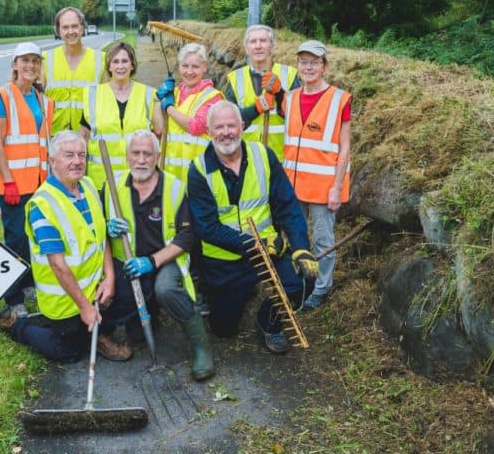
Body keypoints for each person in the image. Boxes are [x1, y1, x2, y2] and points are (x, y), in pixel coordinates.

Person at [187, 101, 319, 354]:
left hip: (270, 250)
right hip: (225, 260)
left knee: (302, 282)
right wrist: (253, 244)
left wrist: (301, 247)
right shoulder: (198, 170)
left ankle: (269, 323)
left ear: (242, 126)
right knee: (223, 329)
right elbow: (206, 227)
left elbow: (287, 206)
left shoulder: (263, 155)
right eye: (219, 127)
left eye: (231, 125)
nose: (226, 132)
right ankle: (238, 293)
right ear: (209, 131)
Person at [0, 131, 134, 363]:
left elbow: (100, 239)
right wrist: (85, 308)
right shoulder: (42, 205)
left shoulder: (87, 186)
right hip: (64, 300)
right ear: (52, 162)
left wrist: (109, 277)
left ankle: (98, 333)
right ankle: (17, 325)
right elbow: (58, 265)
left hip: (93, 287)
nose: (77, 161)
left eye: (81, 155)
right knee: (67, 352)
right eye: (69, 155)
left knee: (128, 286)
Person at [104, 130, 215, 381]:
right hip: (130, 265)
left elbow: (186, 238)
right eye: (136, 153)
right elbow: (99, 229)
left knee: (165, 288)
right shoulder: (112, 186)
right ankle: (147, 319)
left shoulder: (175, 187)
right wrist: (107, 227)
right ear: (127, 156)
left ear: (157, 156)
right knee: (137, 335)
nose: (141, 160)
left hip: (166, 260)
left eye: (147, 154)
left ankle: (201, 348)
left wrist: (152, 261)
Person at [281, 40, 352, 310]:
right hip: (293, 184)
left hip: (323, 187)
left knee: (323, 239)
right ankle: (298, 280)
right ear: (297, 65)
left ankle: (321, 289)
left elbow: (345, 147)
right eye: (304, 62)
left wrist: (336, 187)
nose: (308, 67)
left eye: (314, 62)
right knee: (295, 236)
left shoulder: (339, 99)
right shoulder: (290, 98)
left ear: (324, 66)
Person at [0, 42, 54, 316]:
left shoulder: (40, 97)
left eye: (35, 61)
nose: (31, 66)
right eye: (25, 61)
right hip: (14, 184)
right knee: (14, 241)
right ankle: (13, 299)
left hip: (39, 183)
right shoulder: (3, 96)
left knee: (32, 238)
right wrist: (8, 181)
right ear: (14, 64)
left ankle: (28, 283)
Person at [80, 42, 164, 190]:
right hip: (101, 181)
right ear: (109, 66)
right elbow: (83, 139)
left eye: (125, 61)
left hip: (138, 178)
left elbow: (160, 132)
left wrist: (165, 104)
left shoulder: (148, 94)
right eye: (115, 61)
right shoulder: (92, 95)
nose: (120, 66)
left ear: (132, 65)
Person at [223, 24, 300, 159]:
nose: (258, 46)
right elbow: (227, 122)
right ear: (247, 49)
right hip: (245, 159)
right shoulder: (235, 79)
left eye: (263, 41)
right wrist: (255, 110)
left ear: (272, 46)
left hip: (281, 159)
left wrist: (280, 94)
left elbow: (299, 117)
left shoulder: (289, 75)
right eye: (253, 42)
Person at [159, 42, 223, 181]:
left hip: (199, 176)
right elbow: (158, 128)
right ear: (179, 66)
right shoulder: (173, 94)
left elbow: (195, 127)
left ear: (204, 68)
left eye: (195, 67)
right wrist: (157, 100)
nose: (189, 72)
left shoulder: (212, 97)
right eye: (185, 66)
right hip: (170, 176)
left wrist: (168, 108)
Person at [43, 7, 104, 134]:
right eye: (65, 27)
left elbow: (107, 101)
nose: (70, 31)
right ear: (58, 31)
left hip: (88, 138)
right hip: (55, 139)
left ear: (82, 28)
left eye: (74, 26)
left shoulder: (101, 59)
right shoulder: (45, 59)